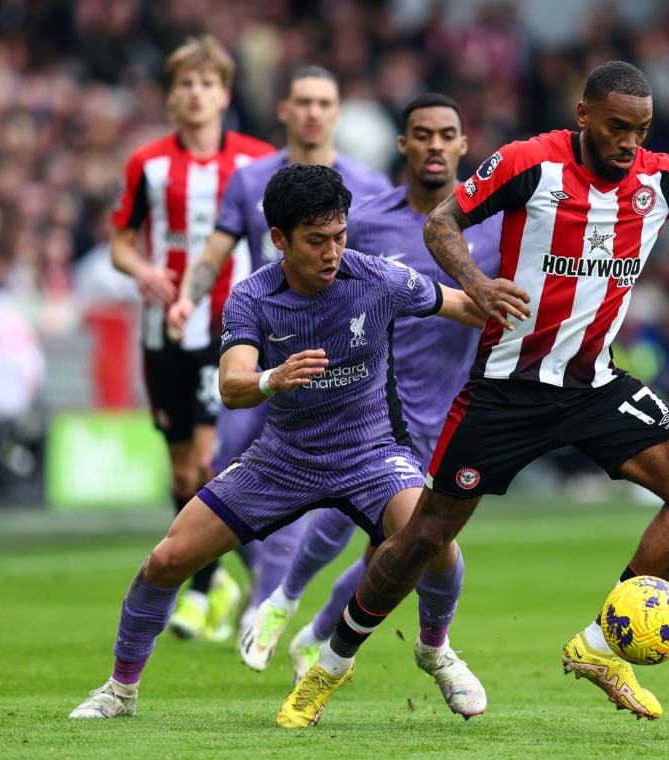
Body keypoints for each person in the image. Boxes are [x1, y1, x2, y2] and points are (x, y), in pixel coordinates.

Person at [280, 60, 669, 726]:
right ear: (585, 116)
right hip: (506, 388)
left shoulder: (661, 178)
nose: (629, 142)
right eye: (618, 127)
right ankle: (330, 664)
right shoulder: (529, 165)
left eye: (641, 129)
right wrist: (477, 283)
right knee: (424, 537)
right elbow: (442, 224)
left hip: (594, 383)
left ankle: (600, 645)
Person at [69, 163, 488, 721]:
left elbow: (461, 305)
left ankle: (436, 651)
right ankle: (119, 692)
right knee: (167, 559)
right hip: (282, 459)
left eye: (339, 236)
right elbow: (231, 383)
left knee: (436, 540)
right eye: (317, 241)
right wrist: (273, 377)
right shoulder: (252, 298)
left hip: (371, 455)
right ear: (279, 240)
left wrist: (514, 311)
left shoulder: (377, 277)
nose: (332, 252)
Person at [235, 93, 501, 690]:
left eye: (447, 134)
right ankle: (283, 598)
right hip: (379, 398)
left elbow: (499, 300)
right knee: (354, 516)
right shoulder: (369, 221)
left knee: (395, 550)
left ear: (463, 145)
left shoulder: (493, 226)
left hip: (454, 402)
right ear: (402, 145)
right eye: (422, 134)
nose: (435, 145)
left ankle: (315, 631)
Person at [165, 65, 392, 638]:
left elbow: (393, 267)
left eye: (325, 102)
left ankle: (273, 604)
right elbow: (215, 252)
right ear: (284, 110)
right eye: (304, 102)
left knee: (344, 489)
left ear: (337, 112)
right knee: (214, 472)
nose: (314, 112)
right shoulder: (250, 180)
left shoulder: (367, 185)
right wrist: (188, 298)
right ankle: (237, 589)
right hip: (266, 350)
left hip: (347, 366)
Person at [109, 35, 275, 643]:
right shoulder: (148, 164)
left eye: (207, 84)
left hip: (231, 327)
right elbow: (121, 241)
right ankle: (222, 582)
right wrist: (144, 270)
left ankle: (203, 593)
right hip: (164, 329)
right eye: (186, 84)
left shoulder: (256, 163)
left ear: (225, 95)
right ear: (172, 97)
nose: (196, 94)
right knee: (182, 472)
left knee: (209, 460)